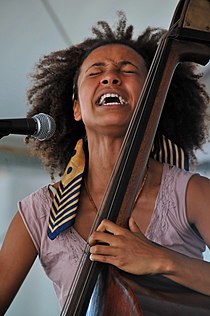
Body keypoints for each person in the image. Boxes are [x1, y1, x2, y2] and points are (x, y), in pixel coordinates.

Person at [0, 11, 210, 314]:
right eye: (95, 71)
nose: (110, 76)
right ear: (76, 109)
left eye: (127, 70)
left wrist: (160, 259)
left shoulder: (192, 193)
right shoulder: (38, 212)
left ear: (154, 100)